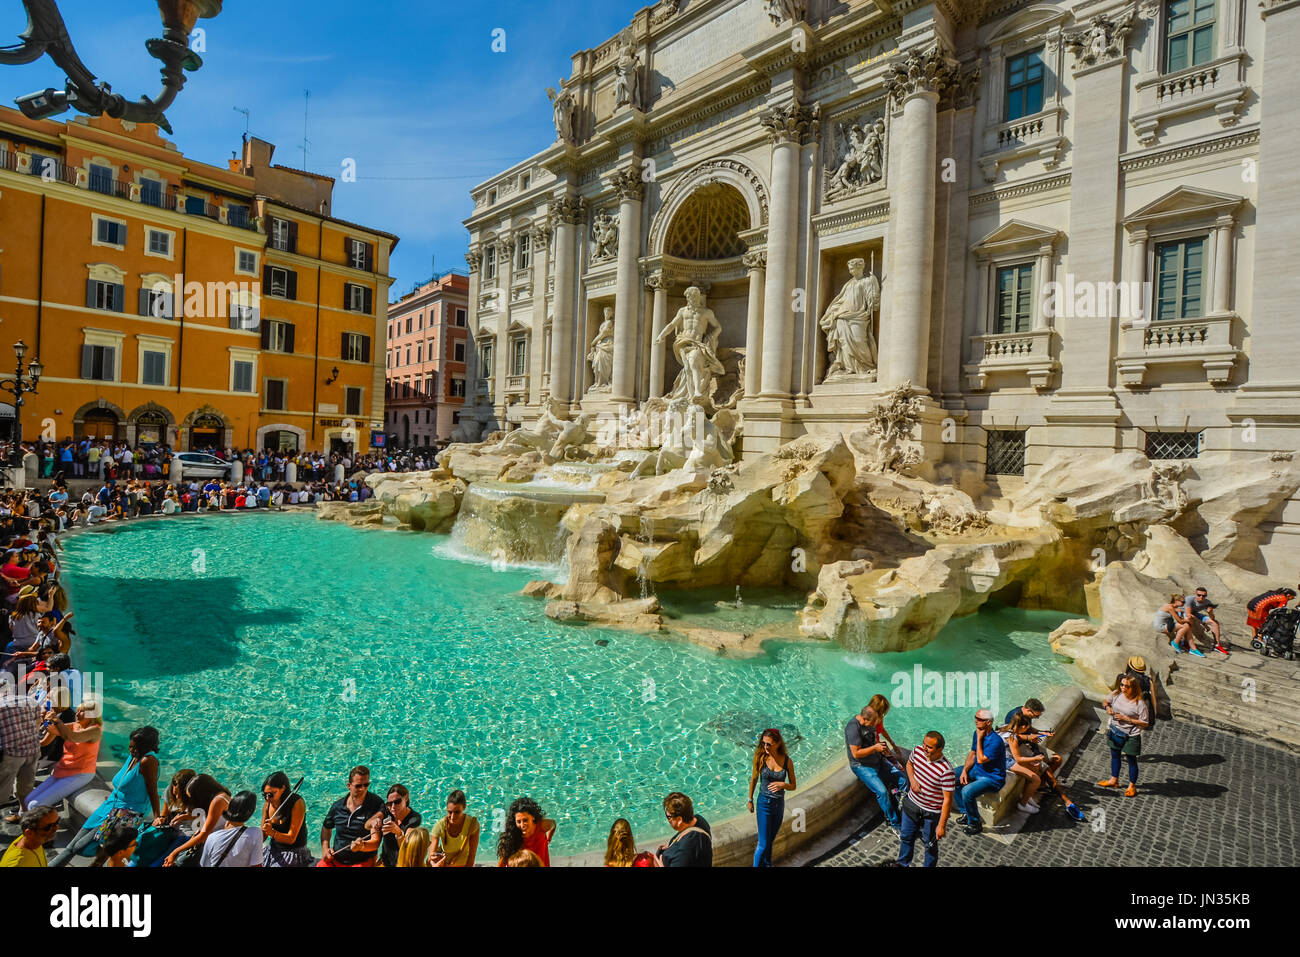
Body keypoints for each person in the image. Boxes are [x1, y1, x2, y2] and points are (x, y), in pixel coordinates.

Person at [49, 726, 161, 866]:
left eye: (135, 748)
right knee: (71, 847)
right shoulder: (134, 757)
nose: (130, 750)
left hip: (125, 814)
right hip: (110, 806)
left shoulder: (148, 761)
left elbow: (153, 791)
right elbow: (124, 782)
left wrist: (158, 817)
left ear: (144, 747)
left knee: (80, 847)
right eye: (130, 746)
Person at [24, 697, 102, 811]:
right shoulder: (74, 725)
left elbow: (72, 737)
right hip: (64, 769)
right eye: (78, 710)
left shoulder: (95, 730)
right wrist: (45, 719)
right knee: (27, 800)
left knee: (34, 805)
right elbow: (53, 730)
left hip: (80, 773)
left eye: (81, 711)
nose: (77, 713)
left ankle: (44, 825)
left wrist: (58, 721)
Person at [845, 704, 906, 831]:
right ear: (865, 719)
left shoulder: (871, 724)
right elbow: (855, 753)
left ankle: (905, 810)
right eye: (873, 723)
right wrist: (874, 748)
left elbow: (873, 740)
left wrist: (883, 749)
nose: (875, 726)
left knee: (903, 779)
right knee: (882, 792)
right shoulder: (853, 728)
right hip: (862, 766)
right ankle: (894, 822)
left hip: (878, 760)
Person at [897, 732, 955, 868]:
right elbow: (909, 765)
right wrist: (912, 780)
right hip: (911, 805)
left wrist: (941, 825)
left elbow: (947, 800)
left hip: (931, 814)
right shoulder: (917, 751)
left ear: (939, 749)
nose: (924, 748)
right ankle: (901, 865)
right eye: (924, 744)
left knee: (930, 845)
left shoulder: (946, 771)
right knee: (906, 838)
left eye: (929, 747)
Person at [746, 727, 796, 867]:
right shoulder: (761, 758)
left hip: (778, 804)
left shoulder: (787, 761)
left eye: (769, 744)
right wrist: (750, 799)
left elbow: (793, 785)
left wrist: (783, 785)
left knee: (770, 840)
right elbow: (754, 779)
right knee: (762, 844)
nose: (765, 747)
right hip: (764, 804)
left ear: (778, 743)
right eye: (763, 743)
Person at [953, 709, 1006, 835]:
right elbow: (972, 753)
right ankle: (966, 812)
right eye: (975, 717)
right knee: (951, 776)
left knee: (967, 791)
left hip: (992, 778)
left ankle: (975, 824)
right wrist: (965, 770)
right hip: (977, 770)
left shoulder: (996, 741)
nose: (976, 721)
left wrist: (980, 739)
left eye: (980, 719)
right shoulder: (976, 733)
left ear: (989, 722)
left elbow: (981, 759)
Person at [318, 765, 384, 867]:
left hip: (361, 861)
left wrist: (362, 846)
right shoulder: (338, 806)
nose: (363, 789)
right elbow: (326, 828)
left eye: (366, 785)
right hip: (337, 858)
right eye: (358, 786)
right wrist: (325, 849)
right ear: (349, 785)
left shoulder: (375, 804)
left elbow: (375, 842)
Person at [162, 772, 231, 866]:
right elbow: (215, 819)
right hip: (216, 843)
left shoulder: (217, 801)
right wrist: (187, 816)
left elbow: (203, 836)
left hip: (219, 847)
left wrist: (175, 852)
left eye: (193, 797)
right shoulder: (221, 796)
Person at [1098, 674, 1151, 797]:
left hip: (1131, 735)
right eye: (1122, 684)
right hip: (1115, 730)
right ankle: (1114, 780)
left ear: (1133, 687)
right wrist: (1107, 707)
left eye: (1126, 686)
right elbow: (1105, 701)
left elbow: (1145, 722)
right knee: (1115, 756)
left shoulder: (1140, 703)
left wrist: (1127, 719)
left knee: (1131, 760)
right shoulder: (1117, 693)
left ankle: (1132, 786)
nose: (1123, 688)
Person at [0, 681, 44, 821]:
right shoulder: (30, 701)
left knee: (2, 790)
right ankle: (25, 818)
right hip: (32, 751)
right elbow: (38, 724)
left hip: (11, 754)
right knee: (26, 787)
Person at [260, 772, 311, 867]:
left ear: (283, 788)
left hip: (294, 851)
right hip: (273, 848)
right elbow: (263, 835)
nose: (267, 798)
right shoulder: (267, 804)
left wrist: (272, 833)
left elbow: (291, 838)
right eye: (265, 795)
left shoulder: (297, 803)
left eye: (271, 794)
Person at [200, 791, 263, 867]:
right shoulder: (255, 833)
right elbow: (257, 865)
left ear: (230, 808)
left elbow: (205, 864)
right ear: (251, 812)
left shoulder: (211, 838)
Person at [655, 792, 712, 867]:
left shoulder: (686, 847)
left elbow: (687, 849)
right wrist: (672, 846)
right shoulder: (698, 819)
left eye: (668, 817)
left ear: (679, 820)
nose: (668, 820)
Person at [496, 796, 555, 867]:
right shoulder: (513, 835)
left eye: (525, 820)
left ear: (533, 817)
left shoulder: (542, 826)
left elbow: (553, 824)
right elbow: (503, 860)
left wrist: (549, 838)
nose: (522, 825)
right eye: (518, 821)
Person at [430, 789, 479, 867]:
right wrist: (433, 857)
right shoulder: (440, 825)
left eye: (457, 812)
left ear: (464, 808)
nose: (452, 817)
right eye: (449, 812)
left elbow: (471, 856)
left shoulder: (472, 824)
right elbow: (431, 856)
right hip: (445, 864)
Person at [377, 783, 422, 867]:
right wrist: (374, 822)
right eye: (389, 803)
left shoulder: (414, 819)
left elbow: (408, 848)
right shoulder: (387, 811)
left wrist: (399, 833)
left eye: (397, 802)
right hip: (385, 863)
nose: (393, 807)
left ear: (406, 798)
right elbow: (368, 825)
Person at [1186, 587, 1229, 656]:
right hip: (1183, 613)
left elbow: (1212, 618)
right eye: (1199, 595)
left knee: (1215, 623)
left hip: (1194, 613)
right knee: (1189, 620)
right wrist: (1203, 624)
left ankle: (1217, 645)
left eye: (1204, 596)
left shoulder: (1207, 602)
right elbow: (1188, 614)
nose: (1201, 597)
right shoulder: (1189, 599)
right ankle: (1187, 643)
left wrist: (1210, 612)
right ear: (1195, 594)